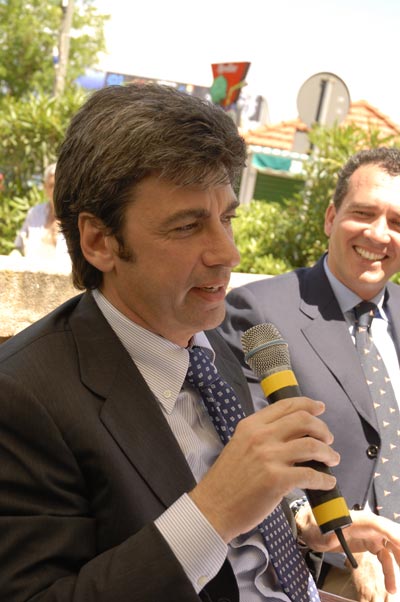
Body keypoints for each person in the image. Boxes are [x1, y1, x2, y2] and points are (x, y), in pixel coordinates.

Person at [0, 87, 399, 602]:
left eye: (227, 219)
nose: (228, 253)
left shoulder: (213, 348)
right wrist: (213, 513)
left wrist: (300, 523)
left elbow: (243, 514)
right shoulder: (24, 397)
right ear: (100, 241)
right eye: (188, 226)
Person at [220, 147, 400, 601]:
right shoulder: (257, 312)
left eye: (397, 222)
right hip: (323, 576)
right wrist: (319, 525)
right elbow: (242, 443)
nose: (379, 234)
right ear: (330, 217)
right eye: (364, 213)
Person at [12, 162, 70, 265]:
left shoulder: (74, 217)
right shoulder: (34, 213)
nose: (56, 190)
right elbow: (18, 246)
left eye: (60, 185)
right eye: (52, 185)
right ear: (45, 188)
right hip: (31, 272)